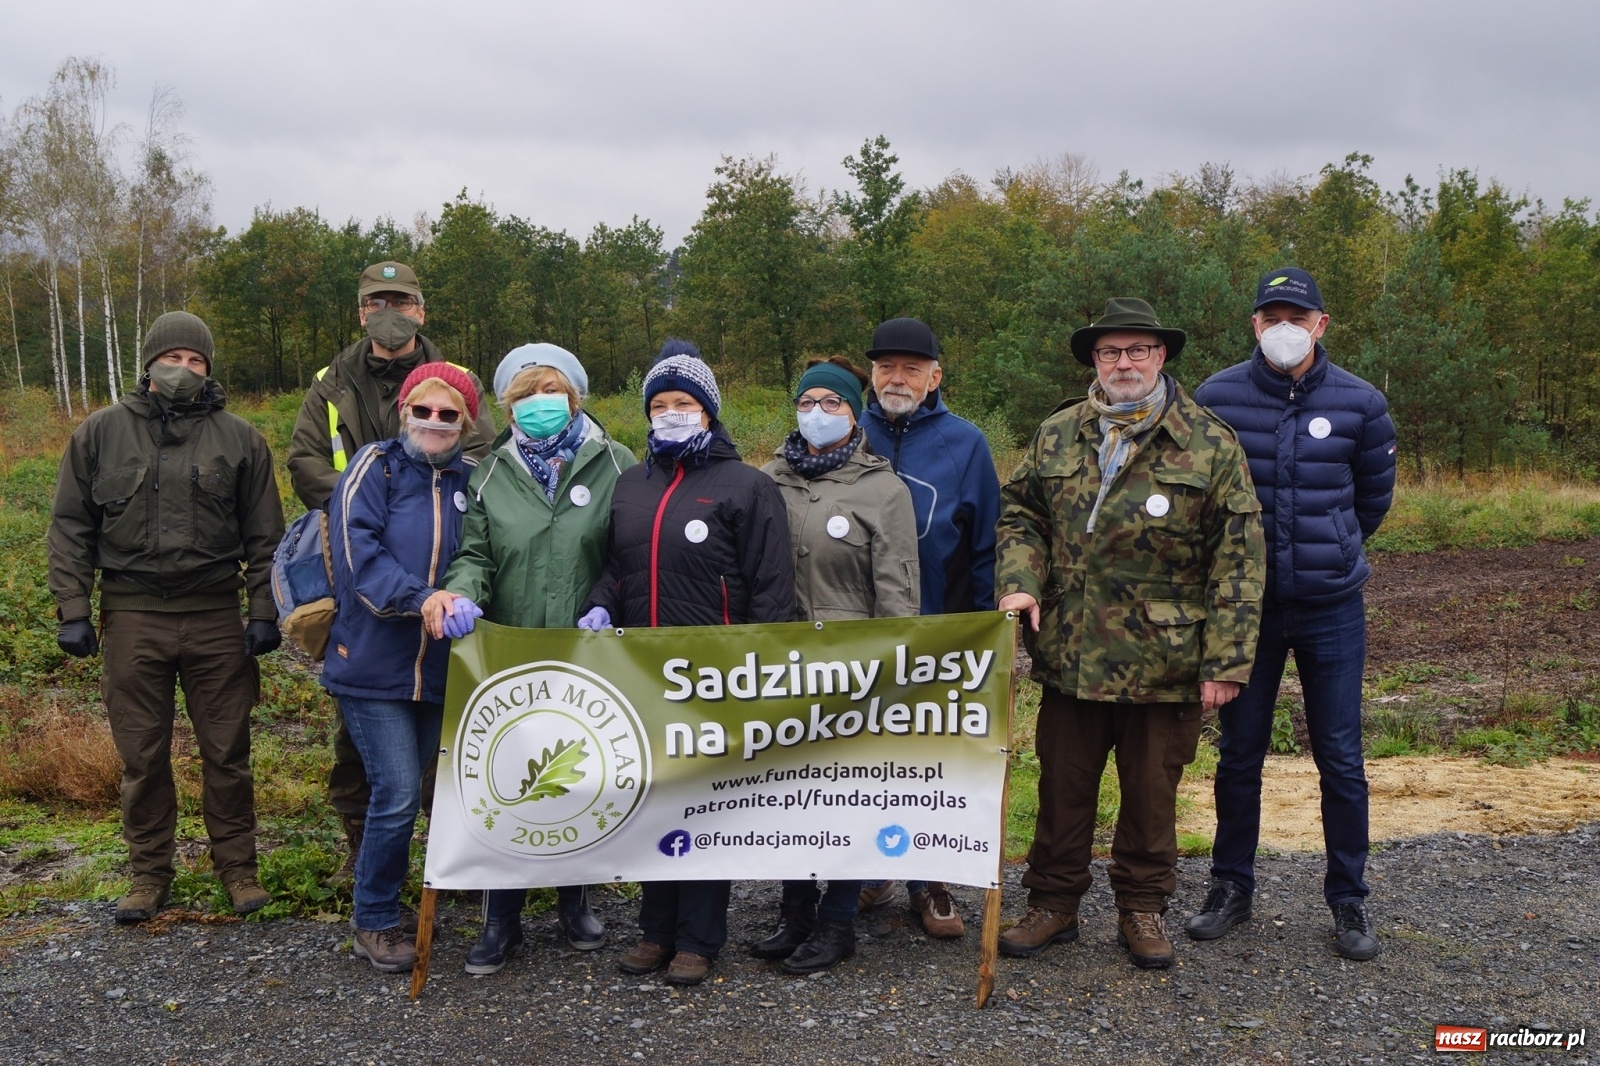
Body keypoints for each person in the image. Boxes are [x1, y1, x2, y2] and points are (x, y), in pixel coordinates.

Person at [994, 297, 1265, 970]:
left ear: (1161, 357)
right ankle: (1053, 905)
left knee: (1150, 798)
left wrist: (1226, 662)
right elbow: (1020, 515)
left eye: (1137, 351)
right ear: (1095, 360)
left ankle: (1142, 908)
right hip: (1072, 653)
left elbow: (1239, 557)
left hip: (1164, 663)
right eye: (1111, 352)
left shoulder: (1209, 443)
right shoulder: (1057, 435)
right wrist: (1020, 579)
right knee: (1062, 788)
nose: (1124, 363)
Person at [48, 311, 285, 923]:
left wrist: (263, 612)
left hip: (215, 617)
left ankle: (238, 870)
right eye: (173, 358)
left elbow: (267, 538)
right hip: (131, 618)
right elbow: (71, 527)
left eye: (196, 362)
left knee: (228, 752)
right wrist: (73, 609)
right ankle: (149, 875)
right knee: (142, 757)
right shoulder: (98, 434)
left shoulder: (241, 439)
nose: (183, 371)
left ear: (209, 371)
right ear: (148, 364)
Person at [1187, 268, 1397, 961]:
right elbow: (1201, 499)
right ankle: (1230, 887)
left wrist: (1328, 552)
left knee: (1339, 756)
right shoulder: (1216, 397)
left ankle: (1349, 899)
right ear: (1254, 324)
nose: (1284, 326)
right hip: (1246, 612)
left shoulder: (1360, 403)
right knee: (1239, 754)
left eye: (1296, 315)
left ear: (1320, 323)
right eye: (1270, 314)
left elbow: (1371, 501)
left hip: (1332, 605)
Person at [581, 340, 794, 986]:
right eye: (661, 404)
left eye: (685, 403)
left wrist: (764, 670)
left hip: (717, 679)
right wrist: (598, 606)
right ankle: (655, 929)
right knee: (655, 801)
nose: (672, 413)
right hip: (643, 677)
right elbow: (615, 569)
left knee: (705, 807)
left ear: (709, 412)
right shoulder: (629, 485)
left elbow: (772, 589)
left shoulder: (747, 487)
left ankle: (699, 938)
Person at [430, 343, 638, 975]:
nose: (538, 404)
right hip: (511, 654)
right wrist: (462, 595)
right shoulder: (488, 473)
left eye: (550, 391)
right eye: (524, 395)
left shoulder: (617, 463)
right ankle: (502, 917)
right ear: (507, 405)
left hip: (589, 651)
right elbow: (475, 555)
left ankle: (576, 901)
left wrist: (611, 602)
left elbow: (628, 553)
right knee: (510, 781)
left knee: (582, 771)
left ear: (574, 397)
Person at [286, 261, 495, 887]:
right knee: (363, 739)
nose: (389, 309)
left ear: (421, 309)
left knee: (442, 739)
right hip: (361, 566)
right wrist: (372, 490)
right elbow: (304, 460)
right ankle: (365, 857)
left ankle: (442, 863)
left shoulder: (455, 382)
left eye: (401, 299)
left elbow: (483, 457)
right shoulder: (332, 382)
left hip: (444, 564)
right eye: (377, 300)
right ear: (360, 310)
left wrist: (428, 486)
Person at [752, 356, 921, 974]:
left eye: (833, 403)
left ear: (854, 413)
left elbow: (898, 594)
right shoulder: (766, 479)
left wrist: (892, 673)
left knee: (846, 800)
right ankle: (794, 912)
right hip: (777, 669)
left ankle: (838, 920)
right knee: (787, 798)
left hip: (852, 673)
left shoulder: (884, 489)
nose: (817, 414)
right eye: (808, 402)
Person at [320, 363, 479, 973]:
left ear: (464, 422)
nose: (434, 423)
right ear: (404, 410)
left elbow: (476, 554)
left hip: (441, 667)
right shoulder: (374, 467)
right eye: (424, 410)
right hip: (373, 664)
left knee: (438, 791)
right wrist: (422, 598)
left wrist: (466, 595)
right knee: (394, 791)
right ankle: (376, 917)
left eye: (449, 415)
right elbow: (359, 551)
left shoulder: (470, 480)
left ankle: (449, 887)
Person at [856, 316, 999, 938]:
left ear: (936, 376)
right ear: (870, 373)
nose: (898, 377)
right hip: (851, 636)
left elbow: (988, 542)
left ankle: (931, 881)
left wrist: (992, 627)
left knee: (929, 764)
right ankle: (863, 868)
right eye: (886, 366)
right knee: (858, 758)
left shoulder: (965, 444)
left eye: (912, 367)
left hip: (938, 636)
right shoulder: (843, 431)